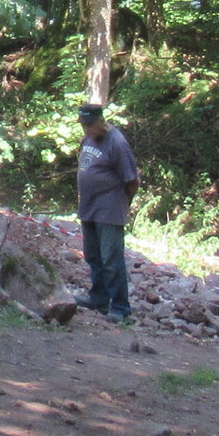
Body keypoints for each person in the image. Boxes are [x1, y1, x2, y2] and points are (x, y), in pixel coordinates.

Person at [75, 101, 138, 322]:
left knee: (111, 259)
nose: (87, 129)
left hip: (109, 209)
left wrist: (123, 202)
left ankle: (120, 307)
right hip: (89, 206)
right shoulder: (88, 138)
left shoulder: (117, 143)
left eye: (89, 125)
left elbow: (132, 180)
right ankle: (98, 298)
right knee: (93, 255)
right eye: (84, 125)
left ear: (101, 121)